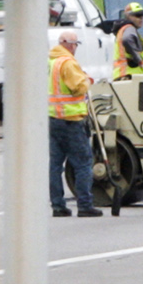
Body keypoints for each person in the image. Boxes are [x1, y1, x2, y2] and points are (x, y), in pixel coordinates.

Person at [48, 31, 101, 217]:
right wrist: (87, 80)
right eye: (75, 44)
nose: (76, 47)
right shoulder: (68, 63)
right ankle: (85, 205)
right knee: (83, 163)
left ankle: (57, 206)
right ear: (68, 44)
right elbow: (78, 87)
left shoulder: (50, 62)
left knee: (55, 165)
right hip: (71, 120)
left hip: (53, 119)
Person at [112, 1, 143, 79]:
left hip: (126, 76)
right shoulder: (129, 28)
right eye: (137, 15)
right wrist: (137, 58)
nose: (141, 18)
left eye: (142, 15)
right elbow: (127, 39)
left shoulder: (124, 29)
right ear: (128, 16)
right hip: (130, 76)